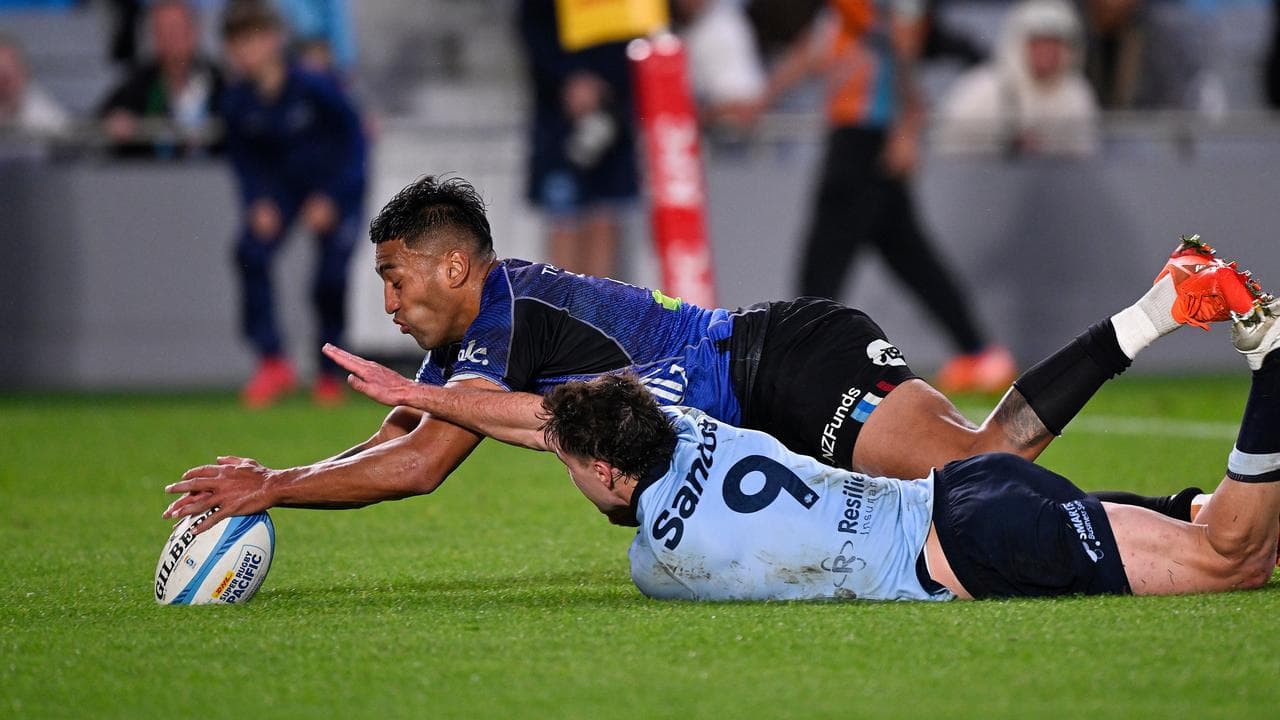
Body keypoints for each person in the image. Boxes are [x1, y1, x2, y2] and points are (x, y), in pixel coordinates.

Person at [162, 174, 1265, 532]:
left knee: (968, 479)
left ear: (453, 269)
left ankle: (1161, 308)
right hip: (764, 398)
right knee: (954, 510)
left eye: (395, 276)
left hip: (781, 364)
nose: (389, 302)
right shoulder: (493, 328)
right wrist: (286, 479)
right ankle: (1186, 517)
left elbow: (416, 457)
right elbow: (410, 426)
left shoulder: (503, 315)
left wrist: (273, 488)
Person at [323, 295, 1280, 601]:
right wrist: (423, 391)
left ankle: (1272, 366)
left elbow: (548, 425)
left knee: (1228, 558)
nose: (571, 478)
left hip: (966, 545)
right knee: (1237, 538)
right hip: (968, 494)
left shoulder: (659, 560)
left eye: (578, 471)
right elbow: (550, 421)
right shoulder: (702, 423)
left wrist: (424, 395)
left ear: (612, 471)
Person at [741, 0, 1016, 394]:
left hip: (864, 140)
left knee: (824, 261)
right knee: (909, 257)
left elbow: (903, 57)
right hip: (856, 137)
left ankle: (800, 358)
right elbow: (811, 54)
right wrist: (763, 100)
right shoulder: (844, 13)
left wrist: (905, 129)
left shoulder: (878, 9)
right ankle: (979, 353)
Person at [219, 0, 368, 407]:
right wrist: (257, 201)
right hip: (284, 190)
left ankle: (329, 370)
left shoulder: (314, 86)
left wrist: (335, 197)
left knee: (330, 278)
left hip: (333, 185)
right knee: (250, 252)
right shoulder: (236, 101)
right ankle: (272, 360)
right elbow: (245, 161)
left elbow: (354, 143)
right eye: (237, 43)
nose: (246, 52)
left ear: (273, 40)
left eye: (253, 39)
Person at [515, 0, 639, 279]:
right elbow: (533, 27)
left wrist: (607, 85)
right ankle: (564, 313)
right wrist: (568, 77)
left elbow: (638, 29)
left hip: (614, 110)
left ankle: (597, 314)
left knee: (606, 216)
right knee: (565, 216)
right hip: (558, 118)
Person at [934, 0, 1098, 158]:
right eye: (1038, 43)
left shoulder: (1078, 95)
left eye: (1054, 43)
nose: (1047, 53)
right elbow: (948, 150)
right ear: (1018, 43)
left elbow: (1084, 158)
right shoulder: (981, 91)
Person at [98, 0, 225, 159]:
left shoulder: (219, 81)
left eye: (176, 29)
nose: (169, 39)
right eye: (161, 31)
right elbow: (105, 115)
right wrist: (116, 119)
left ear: (194, 32)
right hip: (153, 178)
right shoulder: (139, 83)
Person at [0, 34, 69, 140]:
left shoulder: (47, 116)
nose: (4, 85)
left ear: (26, 74)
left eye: (9, 76)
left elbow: (63, 139)